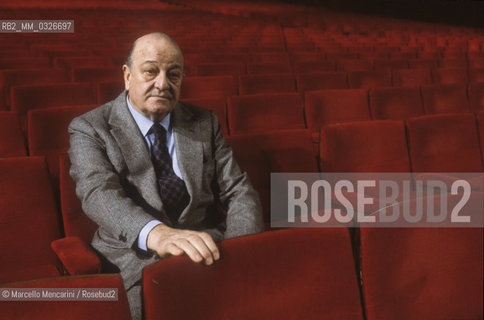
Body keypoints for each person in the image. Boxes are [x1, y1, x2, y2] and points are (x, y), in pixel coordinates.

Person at [68, 32, 263, 319]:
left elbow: (239, 190)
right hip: (135, 255)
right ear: (127, 76)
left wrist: (242, 250)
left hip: (208, 245)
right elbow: (98, 193)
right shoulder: (89, 128)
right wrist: (156, 233)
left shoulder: (205, 121)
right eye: (150, 71)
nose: (162, 84)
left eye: (173, 74)